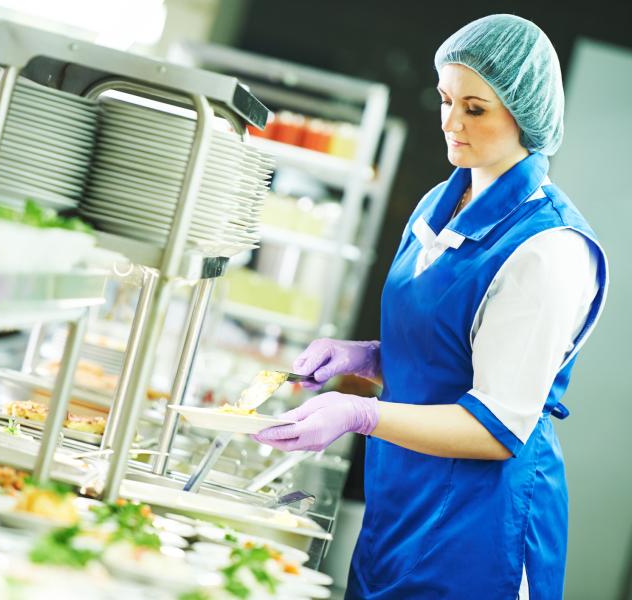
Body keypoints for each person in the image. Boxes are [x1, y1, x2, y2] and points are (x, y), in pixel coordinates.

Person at [253, 14, 608, 600]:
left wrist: (361, 415)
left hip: (483, 523)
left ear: (525, 114)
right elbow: (448, 354)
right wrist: (368, 357)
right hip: (403, 497)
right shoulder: (436, 207)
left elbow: (498, 427)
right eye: (445, 99)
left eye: (475, 108)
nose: (450, 122)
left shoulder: (547, 250)